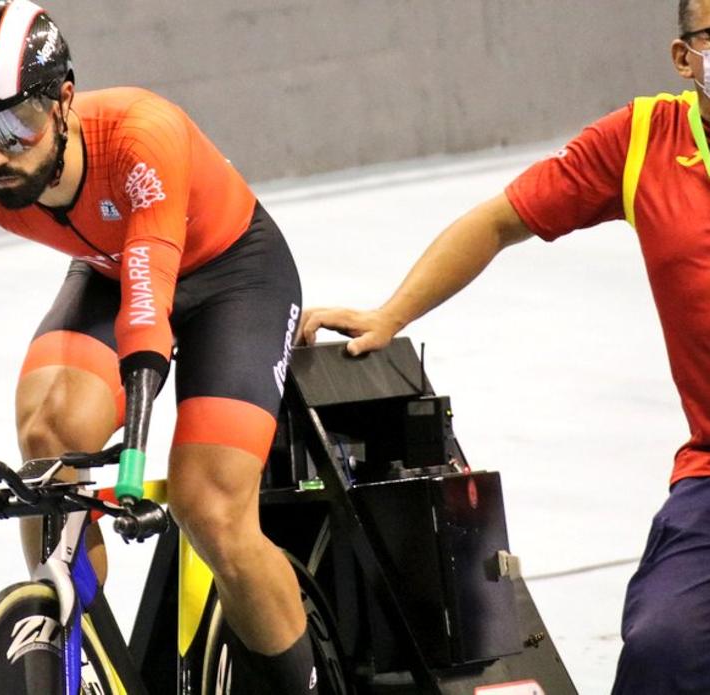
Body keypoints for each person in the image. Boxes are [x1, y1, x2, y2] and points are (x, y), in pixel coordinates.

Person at [0, 1, 317, 690]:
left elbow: (147, 307)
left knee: (209, 507)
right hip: (111, 268)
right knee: (49, 443)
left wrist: (135, 460)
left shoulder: (140, 132)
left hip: (232, 277)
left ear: (63, 99)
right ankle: (88, 657)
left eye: (13, 126)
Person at [301, 2, 710, 692]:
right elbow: (498, 221)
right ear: (683, 57)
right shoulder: (643, 139)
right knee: (661, 649)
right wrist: (390, 314)